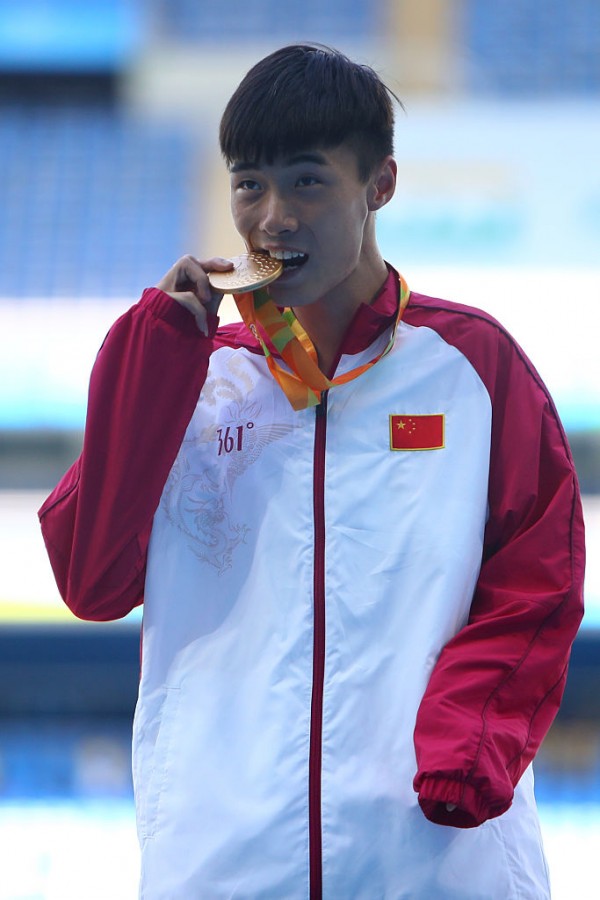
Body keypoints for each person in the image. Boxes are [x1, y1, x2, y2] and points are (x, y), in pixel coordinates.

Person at [39, 44, 585, 899]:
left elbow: (538, 582)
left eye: (307, 181)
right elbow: (89, 580)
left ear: (382, 185)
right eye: (248, 183)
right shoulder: (190, 376)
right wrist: (149, 366)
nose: (272, 218)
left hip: (437, 861)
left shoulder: (472, 368)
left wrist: (466, 747)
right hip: (222, 869)